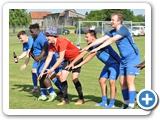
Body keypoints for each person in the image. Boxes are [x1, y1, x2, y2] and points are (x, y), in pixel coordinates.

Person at [81, 13, 141, 109]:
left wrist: (97, 48)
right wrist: (88, 47)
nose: (111, 21)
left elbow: (111, 40)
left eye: (113, 20)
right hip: (123, 59)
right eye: (111, 19)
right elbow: (102, 39)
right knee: (122, 81)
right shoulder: (112, 31)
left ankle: (131, 105)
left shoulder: (123, 30)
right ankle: (125, 104)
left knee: (129, 80)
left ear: (119, 21)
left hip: (133, 57)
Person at [66, 30, 121, 109]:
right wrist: (72, 63)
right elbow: (82, 53)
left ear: (92, 37)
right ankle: (104, 101)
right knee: (101, 80)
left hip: (115, 64)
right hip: (108, 65)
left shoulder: (100, 43)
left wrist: (80, 64)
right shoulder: (92, 45)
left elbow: (91, 55)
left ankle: (112, 103)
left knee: (112, 82)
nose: (85, 39)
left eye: (87, 37)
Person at [38, 26, 84, 105]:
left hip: (77, 58)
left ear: (53, 36)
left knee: (74, 79)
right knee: (62, 78)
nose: (46, 38)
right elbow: (49, 58)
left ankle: (81, 99)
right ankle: (65, 100)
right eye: (46, 35)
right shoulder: (52, 44)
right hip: (68, 59)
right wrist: (42, 72)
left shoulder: (61, 41)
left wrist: (51, 69)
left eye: (48, 36)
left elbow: (60, 58)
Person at [29, 23, 62, 102]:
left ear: (37, 30)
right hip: (41, 60)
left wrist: (40, 56)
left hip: (46, 59)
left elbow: (46, 46)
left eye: (32, 32)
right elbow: (33, 47)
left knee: (44, 75)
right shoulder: (35, 37)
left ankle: (52, 93)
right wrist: (31, 53)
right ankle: (43, 95)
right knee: (41, 76)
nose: (31, 34)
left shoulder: (41, 38)